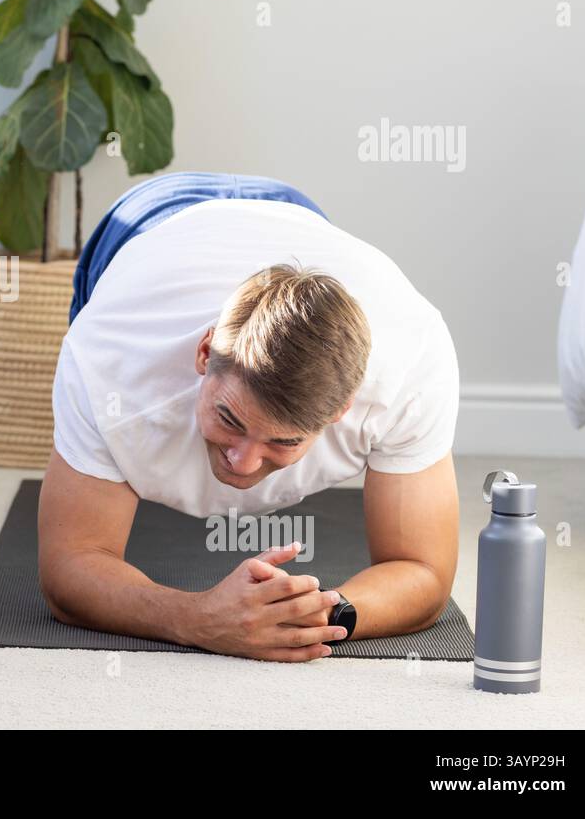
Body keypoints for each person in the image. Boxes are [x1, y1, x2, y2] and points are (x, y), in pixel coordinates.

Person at [39, 171, 460, 662]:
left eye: (282, 441)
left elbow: (423, 570)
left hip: (299, 220)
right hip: (149, 222)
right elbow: (68, 570)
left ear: (343, 410)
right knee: (84, 480)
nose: (242, 462)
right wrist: (196, 620)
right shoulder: (110, 357)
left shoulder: (411, 366)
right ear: (203, 354)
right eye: (230, 419)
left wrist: (325, 614)